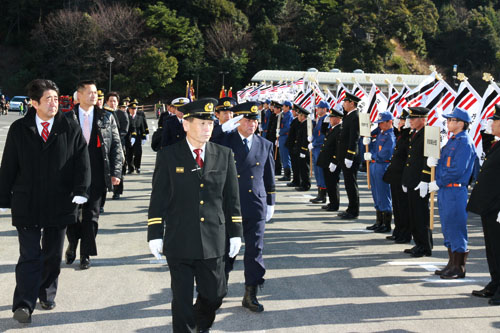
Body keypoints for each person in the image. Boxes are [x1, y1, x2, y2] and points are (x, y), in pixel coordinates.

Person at [147, 98, 243, 332]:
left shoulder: (224, 154)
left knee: (215, 294)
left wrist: (235, 233)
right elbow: (158, 197)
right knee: (181, 301)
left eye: (210, 124)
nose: (207, 128)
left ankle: (200, 325)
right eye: (201, 123)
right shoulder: (169, 155)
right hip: (180, 238)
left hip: (213, 238)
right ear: (186, 125)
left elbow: (231, 198)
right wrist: (155, 233)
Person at [0, 79, 90, 323]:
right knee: (29, 255)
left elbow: (82, 160)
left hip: (59, 201)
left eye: (55, 98)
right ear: (33, 103)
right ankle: (23, 304)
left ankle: (47, 293)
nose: (53, 103)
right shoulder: (20, 128)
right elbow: (8, 164)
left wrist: (81, 189)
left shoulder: (68, 127)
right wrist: (3, 196)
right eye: (48, 99)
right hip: (26, 202)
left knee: (51, 254)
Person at [211, 101, 276, 313]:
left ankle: (251, 293)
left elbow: (269, 175)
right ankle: (219, 289)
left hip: (255, 204)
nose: (252, 124)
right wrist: (222, 127)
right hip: (230, 205)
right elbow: (206, 142)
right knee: (226, 250)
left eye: (255, 121)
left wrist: (271, 202)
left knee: (255, 250)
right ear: (238, 121)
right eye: (247, 120)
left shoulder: (265, 144)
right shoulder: (224, 141)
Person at [65, 80, 123, 270]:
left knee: (92, 216)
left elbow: (115, 146)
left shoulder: (106, 117)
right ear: (78, 95)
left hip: (98, 172)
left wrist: (116, 172)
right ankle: (73, 243)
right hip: (72, 175)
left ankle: (85, 253)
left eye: (96, 93)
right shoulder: (67, 117)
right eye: (89, 93)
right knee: (71, 215)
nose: (94, 96)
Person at [426, 107, 476, 279]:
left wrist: (438, 182)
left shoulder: (464, 142)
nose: (448, 123)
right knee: (448, 227)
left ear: (461, 123)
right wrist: (435, 162)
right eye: (448, 120)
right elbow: (445, 165)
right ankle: (452, 263)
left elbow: (457, 170)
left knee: (456, 226)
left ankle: (459, 267)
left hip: (455, 189)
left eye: (451, 120)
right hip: (447, 189)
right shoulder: (453, 140)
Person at [468, 104, 500, 304]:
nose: (491, 123)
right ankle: (495, 282)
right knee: (492, 248)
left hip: (498, 207)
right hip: (490, 206)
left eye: (495, 121)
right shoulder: (497, 143)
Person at [401, 106, 432, 257]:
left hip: (421, 182)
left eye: (413, 118)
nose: (410, 121)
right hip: (412, 180)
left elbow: (429, 159)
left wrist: (425, 180)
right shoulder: (415, 133)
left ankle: (425, 246)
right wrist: (406, 180)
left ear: (422, 119)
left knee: (421, 215)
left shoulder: (428, 134)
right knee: (413, 214)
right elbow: (410, 160)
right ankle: (419, 243)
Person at [364, 111, 396, 233]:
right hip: (375, 165)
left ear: (390, 122)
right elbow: (374, 147)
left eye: (382, 123)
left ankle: (386, 223)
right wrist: (368, 144)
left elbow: (385, 153)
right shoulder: (381, 134)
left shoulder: (390, 137)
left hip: (383, 165)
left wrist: (372, 155)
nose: (380, 125)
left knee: (383, 193)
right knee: (376, 193)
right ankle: (379, 221)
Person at [383, 110, 412, 243]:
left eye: (402, 120)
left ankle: (405, 234)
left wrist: (404, 131)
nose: (399, 122)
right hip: (396, 176)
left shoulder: (408, 136)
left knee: (403, 207)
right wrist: (398, 129)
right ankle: (398, 230)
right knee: (397, 206)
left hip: (402, 176)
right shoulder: (401, 135)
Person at [336, 92, 361, 219]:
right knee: (347, 183)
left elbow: (354, 138)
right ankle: (350, 207)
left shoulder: (355, 116)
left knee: (351, 183)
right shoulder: (348, 116)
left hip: (349, 156)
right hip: (344, 155)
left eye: (345, 102)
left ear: (352, 103)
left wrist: (350, 155)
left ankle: (354, 210)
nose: (343, 104)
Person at [316, 107, 343, 211]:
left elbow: (338, 148)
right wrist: (324, 122)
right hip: (327, 161)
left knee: (333, 183)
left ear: (338, 118)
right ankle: (331, 202)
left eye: (332, 118)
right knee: (329, 183)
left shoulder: (339, 129)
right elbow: (324, 132)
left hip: (332, 161)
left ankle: (334, 204)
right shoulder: (333, 129)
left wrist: (334, 161)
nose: (330, 119)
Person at [105, 92, 129, 199]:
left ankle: (117, 191)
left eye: (114, 101)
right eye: (110, 101)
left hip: (119, 144)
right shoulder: (104, 114)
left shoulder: (122, 114)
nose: (112, 103)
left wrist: (116, 138)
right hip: (107, 146)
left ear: (118, 102)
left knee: (118, 168)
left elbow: (125, 130)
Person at [309, 101, 329, 203]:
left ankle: (323, 195)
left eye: (319, 108)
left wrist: (314, 143)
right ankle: (319, 193)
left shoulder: (326, 119)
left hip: (320, 148)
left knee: (320, 172)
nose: (317, 110)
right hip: (316, 148)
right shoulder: (319, 119)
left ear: (324, 109)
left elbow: (322, 136)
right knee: (317, 172)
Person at [294, 104, 313, 191]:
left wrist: (303, 150)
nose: (298, 117)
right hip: (300, 149)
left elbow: (306, 139)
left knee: (305, 168)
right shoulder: (303, 124)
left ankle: (306, 185)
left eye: (299, 115)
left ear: (302, 116)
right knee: (301, 168)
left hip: (304, 150)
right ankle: (303, 184)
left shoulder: (306, 124)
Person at [126, 101, 148, 174]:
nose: (133, 110)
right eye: (132, 109)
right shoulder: (126, 117)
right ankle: (130, 168)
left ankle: (137, 166)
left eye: (135, 109)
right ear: (129, 109)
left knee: (138, 153)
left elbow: (143, 128)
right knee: (129, 154)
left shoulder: (140, 117)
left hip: (138, 138)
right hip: (129, 137)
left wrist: (144, 136)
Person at [277, 100, 293, 181]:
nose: (282, 107)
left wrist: (279, 132)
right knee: (283, 155)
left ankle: (288, 175)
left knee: (285, 156)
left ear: (287, 107)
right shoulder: (284, 114)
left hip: (285, 136)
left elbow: (287, 127)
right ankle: (286, 174)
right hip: (282, 136)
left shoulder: (289, 115)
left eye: (283, 106)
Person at [285, 106, 300, 187]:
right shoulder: (295, 120)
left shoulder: (298, 121)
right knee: (294, 165)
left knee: (296, 165)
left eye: (293, 110)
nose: (292, 112)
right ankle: (295, 180)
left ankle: (297, 180)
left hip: (295, 146)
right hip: (292, 145)